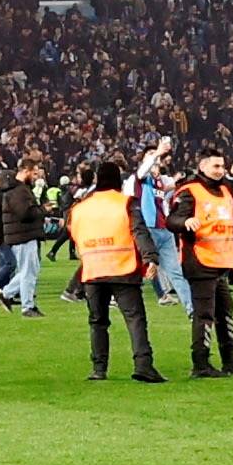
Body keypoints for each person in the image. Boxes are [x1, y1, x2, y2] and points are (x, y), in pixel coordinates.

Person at [70, 159, 163, 382]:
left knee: (97, 321)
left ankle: (99, 369)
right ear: (118, 180)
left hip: (92, 270)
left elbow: (74, 234)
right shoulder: (126, 203)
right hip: (123, 268)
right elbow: (139, 232)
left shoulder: (80, 207)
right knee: (135, 319)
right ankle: (143, 365)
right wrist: (150, 258)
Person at [168, 147, 233, 377]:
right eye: (215, 166)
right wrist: (185, 222)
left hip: (220, 261)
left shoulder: (225, 190)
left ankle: (230, 360)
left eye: (222, 166)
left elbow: (232, 223)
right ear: (202, 166)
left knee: (225, 309)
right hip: (199, 260)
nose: (220, 170)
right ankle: (201, 363)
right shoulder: (189, 191)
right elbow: (172, 220)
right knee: (204, 313)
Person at [0, 156, 46, 317]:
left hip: (21, 234)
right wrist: (43, 210)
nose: (36, 177)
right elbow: (24, 214)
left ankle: (5, 294)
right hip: (23, 234)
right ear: (26, 171)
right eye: (34, 173)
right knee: (28, 271)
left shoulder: (15, 189)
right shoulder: (19, 190)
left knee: (30, 270)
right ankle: (27, 307)